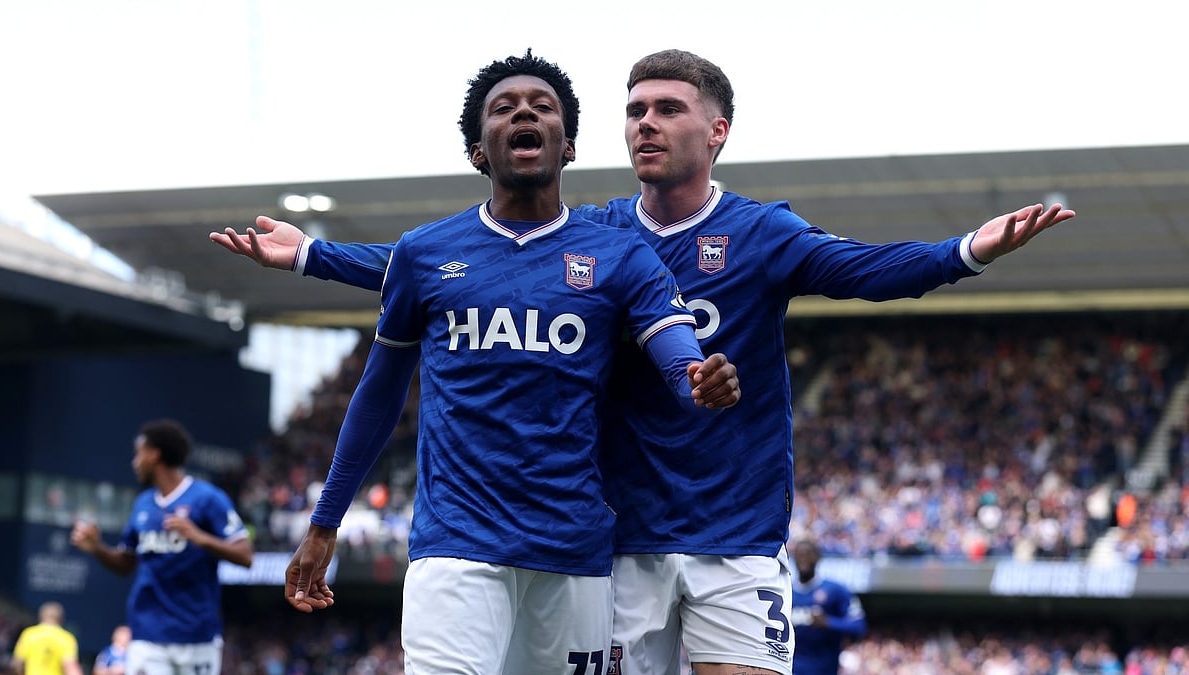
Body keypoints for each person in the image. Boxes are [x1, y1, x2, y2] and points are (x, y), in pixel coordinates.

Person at [211, 49, 1075, 675]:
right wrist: (312, 257)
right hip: (618, 540)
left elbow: (868, 271)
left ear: (718, 129)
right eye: (634, 110)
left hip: (735, 531)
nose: (645, 124)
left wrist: (964, 249)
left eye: (666, 109)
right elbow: (450, 271)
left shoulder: (761, 232)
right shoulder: (600, 238)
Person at [279, 50, 740, 675]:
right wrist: (326, 519)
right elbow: (379, 395)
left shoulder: (621, 257)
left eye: (542, 106)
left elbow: (678, 365)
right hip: (456, 550)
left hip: (573, 553)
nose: (524, 111)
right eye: (504, 108)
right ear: (479, 151)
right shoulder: (423, 254)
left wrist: (700, 382)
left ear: (568, 145)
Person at [69, 419, 253, 675]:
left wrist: (201, 537)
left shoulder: (208, 498)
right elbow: (125, 563)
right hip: (148, 634)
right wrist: (97, 548)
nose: (134, 462)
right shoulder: (143, 504)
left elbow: (246, 556)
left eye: (138, 453)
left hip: (196, 635)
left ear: (154, 455)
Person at [789, 540, 867, 675]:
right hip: (790, 669)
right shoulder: (786, 592)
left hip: (824, 668)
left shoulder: (836, 590)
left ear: (818, 558)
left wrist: (828, 622)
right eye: (800, 554)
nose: (804, 558)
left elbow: (859, 626)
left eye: (808, 554)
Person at [11, 602, 82, 675]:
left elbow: (17, 663)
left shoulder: (29, 634)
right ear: (60, 619)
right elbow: (71, 668)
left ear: (40, 617)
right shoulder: (66, 638)